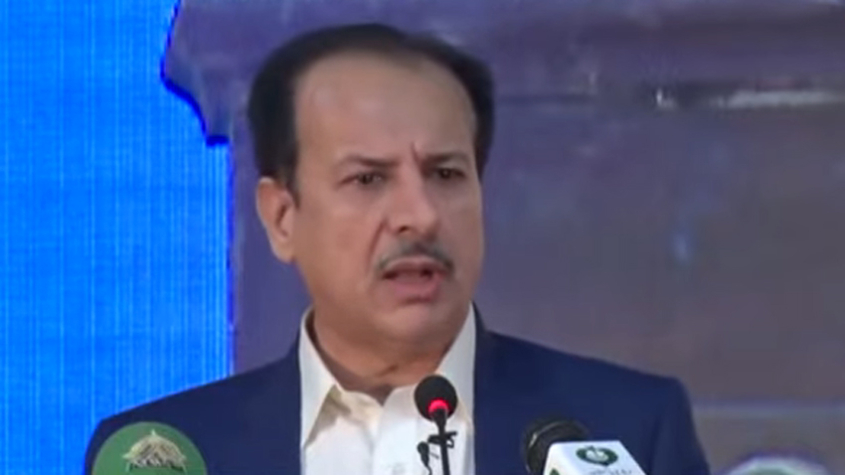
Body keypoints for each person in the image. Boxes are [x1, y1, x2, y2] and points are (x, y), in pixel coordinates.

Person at [84, 23, 710, 475]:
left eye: (446, 174)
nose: (420, 215)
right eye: (368, 179)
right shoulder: (172, 452)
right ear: (282, 217)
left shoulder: (627, 429)